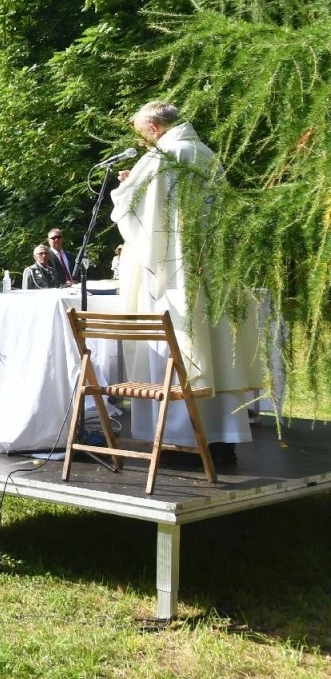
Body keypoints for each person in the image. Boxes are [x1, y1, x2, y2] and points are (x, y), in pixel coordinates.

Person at [111, 100, 263, 462]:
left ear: (152, 128)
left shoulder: (163, 157)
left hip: (170, 272)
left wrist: (126, 185)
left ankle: (181, 441)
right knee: (214, 345)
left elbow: (134, 211)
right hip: (211, 268)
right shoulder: (206, 154)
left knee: (178, 346)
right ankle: (223, 439)